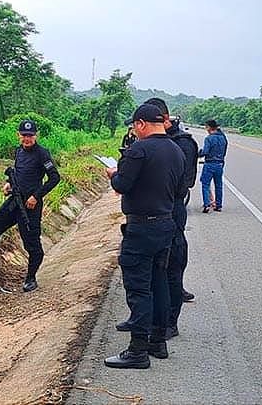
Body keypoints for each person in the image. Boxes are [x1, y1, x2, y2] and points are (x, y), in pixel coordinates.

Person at [104, 103, 184, 369]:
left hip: (141, 228)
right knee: (159, 282)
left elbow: (122, 185)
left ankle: (137, 350)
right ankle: (158, 341)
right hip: (165, 224)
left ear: (140, 124)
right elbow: (180, 189)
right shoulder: (177, 149)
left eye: (134, 126)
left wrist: (114, 174)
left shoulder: (138, 149)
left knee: (138, 287)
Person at [0, 119, 60, 292]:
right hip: (14, 200)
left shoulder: (42, 154)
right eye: (24, 135)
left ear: (36, 136)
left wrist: (36, 196)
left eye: (30, 135)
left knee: (32, 244)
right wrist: (9, 184)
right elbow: (18, 172)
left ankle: (30, 278)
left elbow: (54, 178)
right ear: (18, 135)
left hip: (30, 206)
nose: (27, 138)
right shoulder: (19, 151)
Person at [147, 98, 198, 337]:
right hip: (151, 213)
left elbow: (185, 182)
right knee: (150, 270)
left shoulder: (183, 144)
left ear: (164, 119)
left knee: (171, 267)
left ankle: (170, 323)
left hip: (171, 211)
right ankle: (149, 318)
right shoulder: (152, 142)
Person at [199, 119, 228, 213]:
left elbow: (205, 152)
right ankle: (218, 205)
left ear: (209, 127)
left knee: (205, 184)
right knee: (218, 185)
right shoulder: (223, 138)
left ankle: (207, 204)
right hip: (219, 164)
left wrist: (198, 154)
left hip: (210, 163)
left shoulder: (209, 138)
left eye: (206, 127)